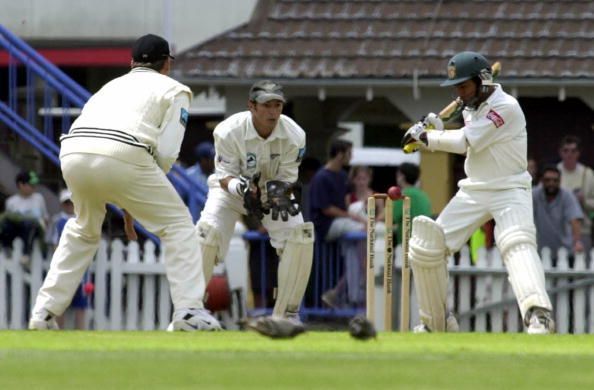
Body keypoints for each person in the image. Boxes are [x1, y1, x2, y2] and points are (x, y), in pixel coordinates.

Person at [29, 33, 221, 331]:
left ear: (131, 62)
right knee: (178, 225)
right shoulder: (175, 89)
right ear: (167, 64)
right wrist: (137, 193)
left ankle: (43, 313)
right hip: (123, 153)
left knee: (82, 230)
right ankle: (188, 311)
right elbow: (167, 152)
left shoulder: (110, 86)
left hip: (73, 151)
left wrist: (131, 201)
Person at [402, 51, 554, 334]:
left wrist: (425, 137)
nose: (459, 92)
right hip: (475, 188)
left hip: (509, 187)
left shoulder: (507, 107)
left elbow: (465, 141)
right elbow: (464, 129)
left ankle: (538, 314)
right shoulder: (472, 106)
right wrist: (436, 125)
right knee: (428, 247)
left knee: (516, 243)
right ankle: (437, 323)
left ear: (483, 81)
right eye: (456, 87)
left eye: (463, 86)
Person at [195, 80, 313, 337]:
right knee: (207, 233)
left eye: (277, 105)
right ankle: (190, 309)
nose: (273, 112)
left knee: (300, 236)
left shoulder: (295, 135)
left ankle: (287, 315)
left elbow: (288, 177)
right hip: (231, 191)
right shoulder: (228, 131)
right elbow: (224, 175)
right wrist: (243, 190)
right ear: (251, 106)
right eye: (266, 105)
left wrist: (279, 191)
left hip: (273, 192)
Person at [309, 141, 367, 309]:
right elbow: (326, 209)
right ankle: (366, 273)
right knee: (364, 231)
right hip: (326, 226)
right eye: (349, 153)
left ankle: (337, 292)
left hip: (341, 222)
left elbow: (346, 201)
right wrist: (353, 216)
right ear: (340, 154)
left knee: (352, 258)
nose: (351, 157)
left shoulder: (342, 176)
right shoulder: (322, 177)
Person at [46, 189, 92, 329]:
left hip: (81, 268)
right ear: (62, 204)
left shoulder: (84, 220)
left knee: (81, 305)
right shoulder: (58, 221)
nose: (70, 206)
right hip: (64, 267)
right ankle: (60, 332)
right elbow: (54, 243)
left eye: (72, 202)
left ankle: (80, 332)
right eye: (67, 203)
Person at [532, 165, 584, 263]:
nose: (551, 183)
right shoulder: (534, 194)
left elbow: (575, 220)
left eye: (555, 180)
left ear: (560, 181)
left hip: (565, 250)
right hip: (540, 251)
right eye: (548, 180)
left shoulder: (567, 195)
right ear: (542, 181)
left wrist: (577, 242)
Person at [0, 171, 48, 267]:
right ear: (21, 185)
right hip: (17, 231)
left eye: (34, 185)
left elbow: (45, 217)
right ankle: (7, 247)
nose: (34, 187)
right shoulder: (11, 202)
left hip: (33, 231)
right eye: (30, 184)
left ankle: (27, 254)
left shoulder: (39, 198)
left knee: (29, 224)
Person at [557, 135, 594, 255]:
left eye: (573, 151)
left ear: (578, 153)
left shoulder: (587, 174)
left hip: (583, 228)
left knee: (583, 267)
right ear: (561, 152)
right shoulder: (555, 172)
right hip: (559, 229)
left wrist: (584, 201)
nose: (569, 154)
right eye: (566, 150)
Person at [392, 163, 432, 246]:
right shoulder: (423, 195)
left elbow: (390, 216)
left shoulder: (403, 195)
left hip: (408, 242)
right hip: (425, 240)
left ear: (402, 176)